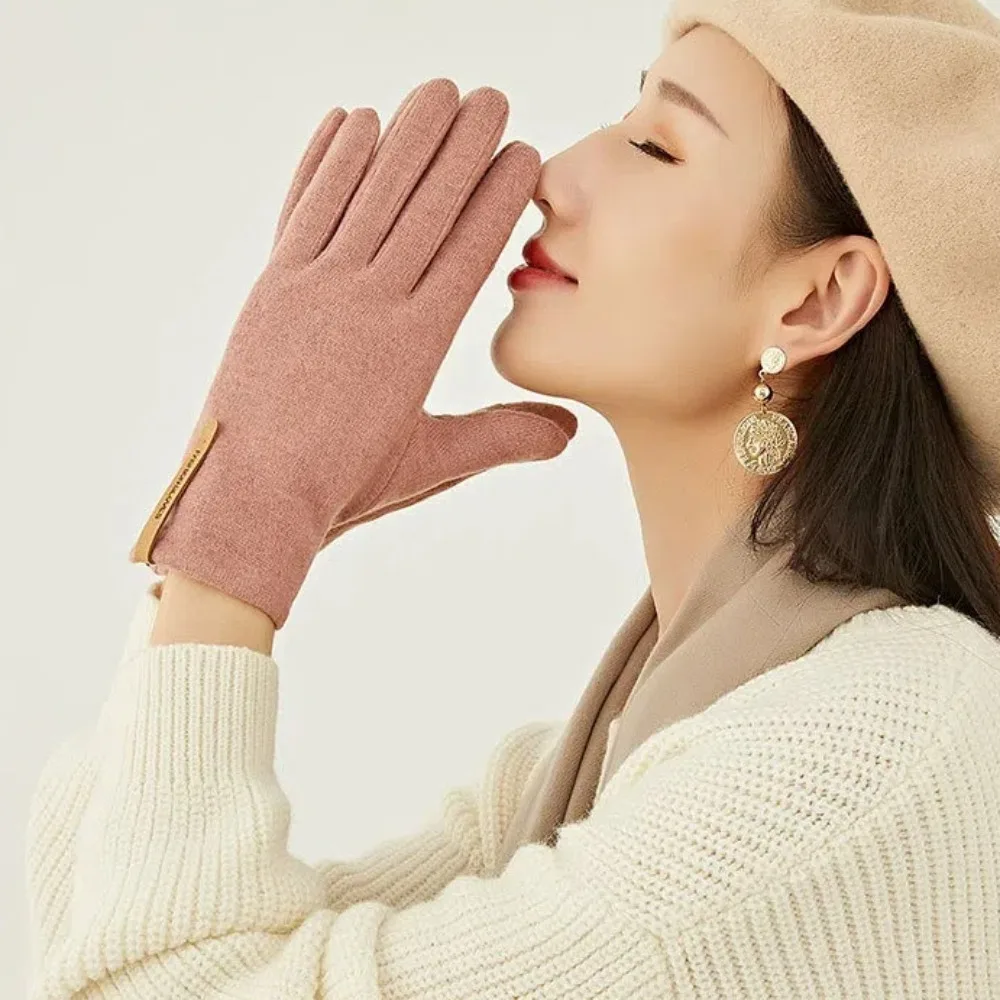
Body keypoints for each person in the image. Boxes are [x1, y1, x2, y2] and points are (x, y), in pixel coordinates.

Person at [24, 0, 1000, 996]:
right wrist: (243, 500)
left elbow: (163, 978)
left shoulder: (847, 754)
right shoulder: (594, 762)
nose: (553, 174)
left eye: (656, 147)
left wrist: (243, 520)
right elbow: (96, 923)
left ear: (816, 299)